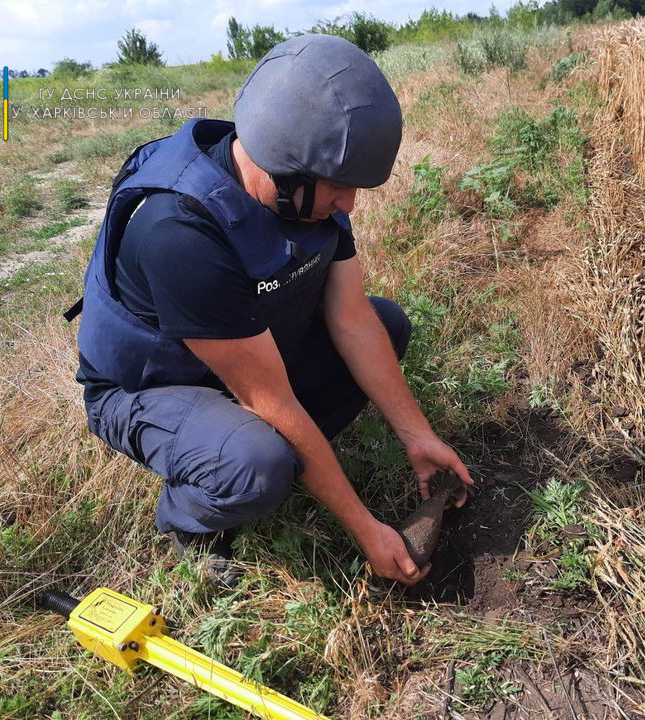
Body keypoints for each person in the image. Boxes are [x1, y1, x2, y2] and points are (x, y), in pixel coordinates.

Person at [70, 34, 473, 588]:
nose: (349, 205)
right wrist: (366, 528)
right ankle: (190, 520)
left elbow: (353, 320)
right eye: (338, 188)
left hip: (243, 350)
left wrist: (417, 435)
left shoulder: (305, 191)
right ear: (285, 168)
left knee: (386, 322)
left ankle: (288, 455)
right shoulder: (178, 232)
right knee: (259, 462)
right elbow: (269, 399)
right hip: (150, 385)